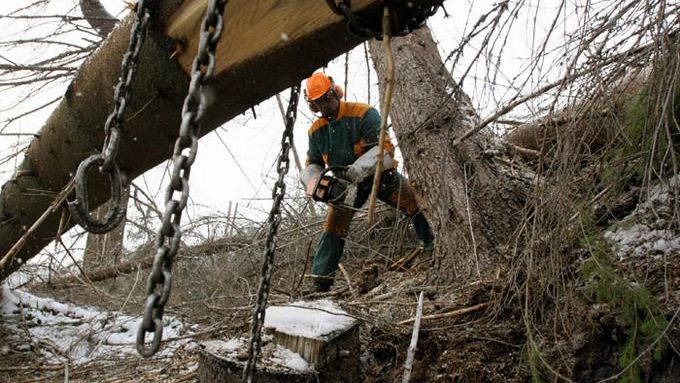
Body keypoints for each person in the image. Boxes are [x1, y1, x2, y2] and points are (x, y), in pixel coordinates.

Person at [300, 72, 434, 293]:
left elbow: (385, 148)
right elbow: (313, 162)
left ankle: (433, 248)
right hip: (347, 187)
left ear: (335, 93)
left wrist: (359, 169)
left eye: (326, 98)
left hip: (380, 177)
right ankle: (320, 281)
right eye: (317, 102)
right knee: (333, 226)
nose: (323, 105)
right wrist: (313, 181)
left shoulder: (363, 114)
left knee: (415, 203)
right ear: (312, 105)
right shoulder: (316, 131)